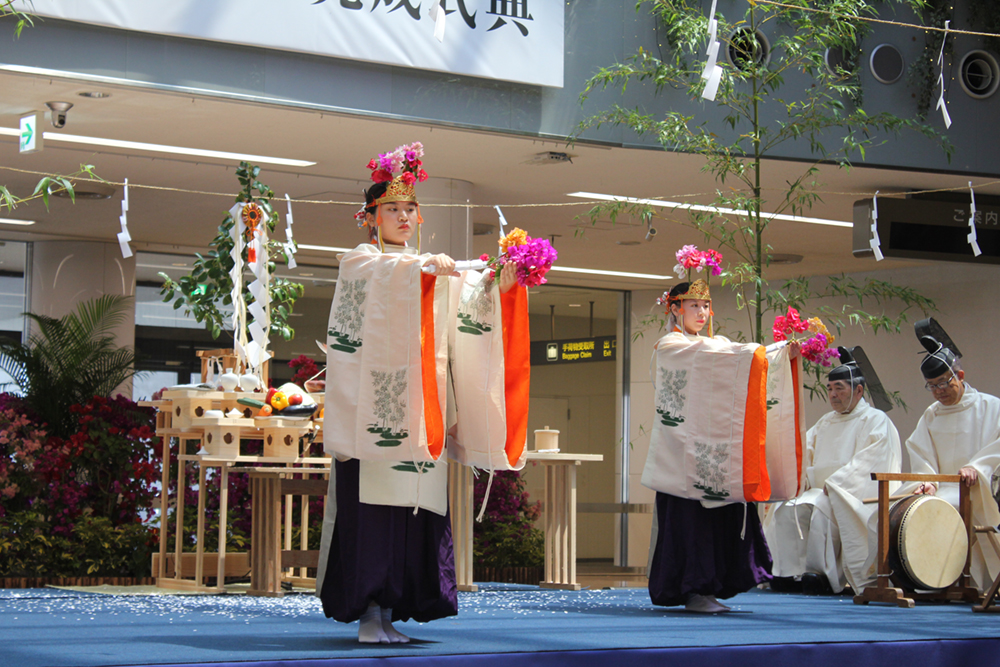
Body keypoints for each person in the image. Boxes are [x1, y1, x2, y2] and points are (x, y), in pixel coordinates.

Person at [313, 144, 517, 644]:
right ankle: (366, 613)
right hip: (374, 419)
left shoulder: (429, 267)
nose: (402, 217)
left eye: (409, 210)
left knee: (412, 516)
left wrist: (496, 283)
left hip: (425, 409)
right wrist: (424, 268)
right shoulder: (362, 261)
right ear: (370, 218)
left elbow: (465, 308)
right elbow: (381, 279)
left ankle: (392, 612)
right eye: (391, 210)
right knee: (373, 516)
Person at [643, 280, 774, 613]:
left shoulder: (715, 345)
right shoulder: (670, 345)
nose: (701, 313)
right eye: (693, 306)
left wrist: (783, 351)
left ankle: (711, 587)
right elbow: (726, 355)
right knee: (689, 523)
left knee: (717, 520)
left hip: (710, 448)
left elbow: (742, 355)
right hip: (681, 453)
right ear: (675, 309)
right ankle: (692, 590)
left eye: (705, 306)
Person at [763, 347, 901, 594]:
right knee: (785, 507)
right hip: (820, 489)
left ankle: (821, 575)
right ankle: (787, 572)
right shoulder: (826, 421)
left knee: (820, 508)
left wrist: (837, 484)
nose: (833, 395)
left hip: (852, 493)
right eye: (830, 389)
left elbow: (870, 462)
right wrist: (798, 479)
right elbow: (803, 453)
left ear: (859, 390)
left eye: (840, 388)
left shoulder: (875, 420)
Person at [904, 333, 1000, 590]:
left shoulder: (991, 407)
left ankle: (966, 582)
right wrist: (928, 481)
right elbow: (921, 451)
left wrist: (977, 468)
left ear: (961, 376)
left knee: (942, 507)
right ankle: (930, 579)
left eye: (944, 383)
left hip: (977, 488)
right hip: (942, 488)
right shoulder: (931, 415)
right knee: (902, 506)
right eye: (932, 386)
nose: (939, 391)